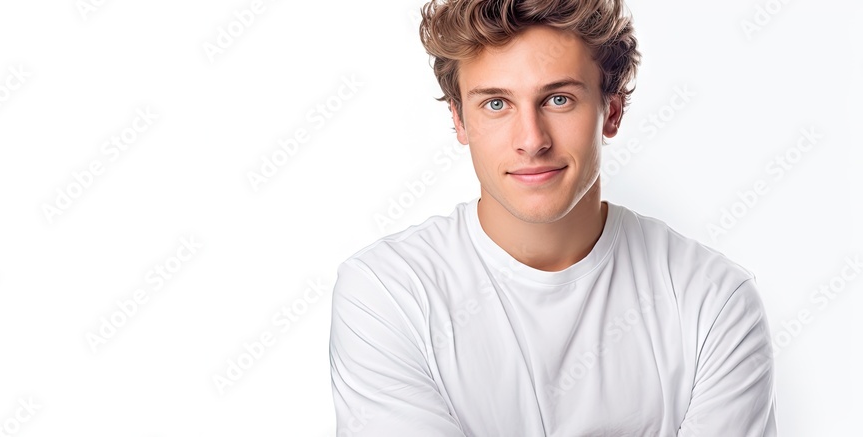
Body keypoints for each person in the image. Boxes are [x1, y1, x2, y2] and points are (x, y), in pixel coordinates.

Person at [328, 0, 777, 435]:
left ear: (612, 112)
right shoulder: (387, 292)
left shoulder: (713, 301)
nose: (532, 140)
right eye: (497, 104)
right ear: (459, 120)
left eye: (558, 99)